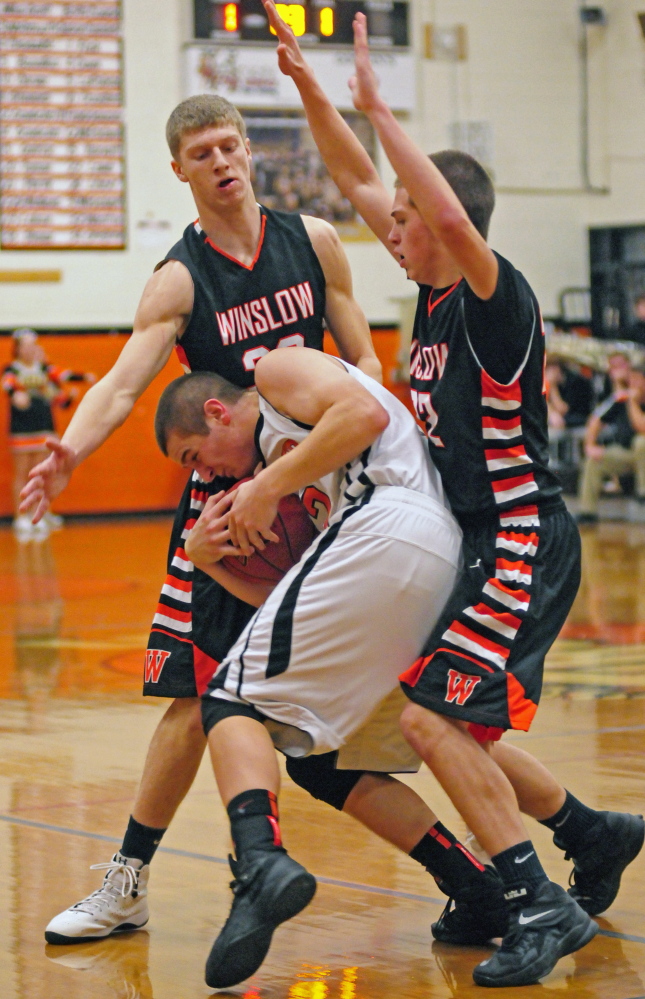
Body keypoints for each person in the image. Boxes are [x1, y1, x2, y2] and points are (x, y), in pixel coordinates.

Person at [22, 95, 502, 949]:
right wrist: (71, 449)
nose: (220, 161)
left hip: (328, 500)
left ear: (249, 151)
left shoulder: (311, 239)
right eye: (201, 152)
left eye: (229, 145)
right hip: (233, 504)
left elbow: (361, 358)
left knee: (390, 710)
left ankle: (528, 847)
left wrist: (352, 435)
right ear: (179, 171)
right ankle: (131, 881)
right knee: (197, 697)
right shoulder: (180, 276)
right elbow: (126, 382)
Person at [261, 2, 644, 986]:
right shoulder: (425, 295)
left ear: (448, 224)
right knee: (422, 713)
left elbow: (420, 197)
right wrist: (310, 89)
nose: (387, 231)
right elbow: (352, 177)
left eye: (405, 220)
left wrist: (385, 109)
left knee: (438, 722)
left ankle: (536, 902)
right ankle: (588, 833)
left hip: (520, 536)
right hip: (464, 541)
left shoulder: (493, 296)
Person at [154, 349, 465, 989]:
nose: (204, 472)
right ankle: (494, 879)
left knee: (230, 701)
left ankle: (262, 862)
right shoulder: (299, 466)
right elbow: (286, 600)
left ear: (217, 412)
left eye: (195, 455)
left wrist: (264, 488)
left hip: (391, 527)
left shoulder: (274, 375)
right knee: (330, 758)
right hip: (410, 564)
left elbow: (365, 411)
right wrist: (204, 558)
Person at [2, 328, 95, 541]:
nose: (31, 348)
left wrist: (82, 379)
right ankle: (21, 516)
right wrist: (16, 394)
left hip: (45, 427)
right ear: (17, 348)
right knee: (22, 472)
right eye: (26, 344)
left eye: (33, 343)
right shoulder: (12, 370)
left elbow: (61, 379)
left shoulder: (44, 369)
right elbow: (7, 385)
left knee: (44, 471)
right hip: (22, 429)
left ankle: (40, 513)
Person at [577, 359, 645, 524]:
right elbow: (595, 420)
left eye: (637, 380)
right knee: (594, 460)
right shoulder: (621, 398)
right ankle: (587, 513)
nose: (633, 384)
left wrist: (632, 402)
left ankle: (643, 492)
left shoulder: (630, 400)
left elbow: (641, 426)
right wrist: (590, 445)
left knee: (641, 441)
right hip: (626, 454)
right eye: (632, 379)